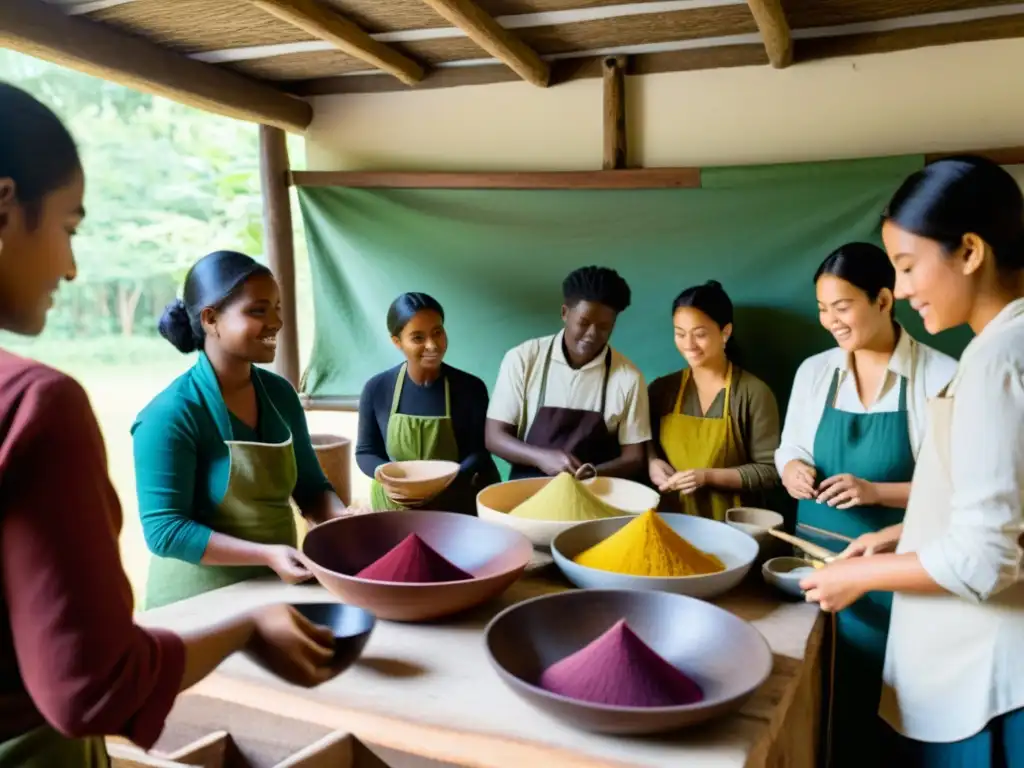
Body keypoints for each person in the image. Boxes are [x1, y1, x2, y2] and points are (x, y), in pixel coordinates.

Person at [0, 83, 343, 768]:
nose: (70, 267)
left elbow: (311, 487)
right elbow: (89, 685)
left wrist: (344, 529)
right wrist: (245, 624)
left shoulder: (278, 395)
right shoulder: (41, 407)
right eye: (69, 227)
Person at [801, 156, 1024, 767]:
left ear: (970, 251)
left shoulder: (993, 361)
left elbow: (986, 557)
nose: (900, 290)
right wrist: (901, 535)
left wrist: (857, 577)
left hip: (988, 681)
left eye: (905, 266)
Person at [776, 241, 957, 768]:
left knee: (881, 709)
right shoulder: (815, 371)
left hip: (893, 574)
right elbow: (791, 447)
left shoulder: (939, 376)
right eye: (822, 310)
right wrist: (792, 469)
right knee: (814, 698)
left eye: (842, 307)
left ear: (883, 299)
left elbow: (953, 491)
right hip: (811, 563)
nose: (831, 321)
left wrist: (877, 493)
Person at [132, 250, 348, 610]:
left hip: (275, 591)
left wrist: (339, 517)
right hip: (194, 604)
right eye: (258, 310)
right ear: (211, 318)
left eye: (277, 309)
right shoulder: (169, 415)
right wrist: (266, 555)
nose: (276, 322)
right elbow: (164, 532)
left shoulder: (280, 395)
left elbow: (311, 487)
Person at [485, 265, 650, 481]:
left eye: (603, 327)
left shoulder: (628, 378)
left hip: (594, 494)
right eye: (583, 323)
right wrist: (541, 457)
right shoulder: (523, 359)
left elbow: (634, 458)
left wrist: (591, 475)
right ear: (565, 313)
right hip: (527, 491)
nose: (591, 334)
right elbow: (494, 437)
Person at [647, 281, 780, 519]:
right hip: (672, 521)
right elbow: (642, 439)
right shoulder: (662, 389)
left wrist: (706, 476)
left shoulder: (754, 393)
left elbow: (770, 471)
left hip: (734, 527)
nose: (688, 345)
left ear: (725, 332)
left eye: (699, 334)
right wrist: (652, 461)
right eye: (680, 334)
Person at [357, 292, 499, 513]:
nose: (432, 345)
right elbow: (365, 451)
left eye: (437, 332)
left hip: (452, 504)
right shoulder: (377, 389)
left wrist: (442, 482)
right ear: (397, 342)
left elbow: (480, 451)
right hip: (393, 505)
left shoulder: (471, 388)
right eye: (417, 338)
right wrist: (391, 477)